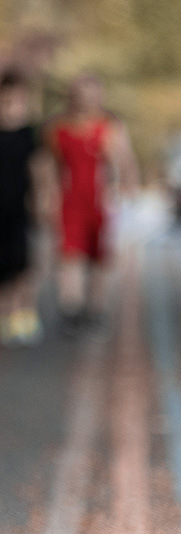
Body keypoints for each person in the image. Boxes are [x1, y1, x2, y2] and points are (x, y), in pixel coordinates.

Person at [46, 74, 139, 332]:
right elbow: (51, 166)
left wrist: (128, 190)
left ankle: (96, 307)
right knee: (69, 254)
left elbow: (124, 161)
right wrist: (46, 195)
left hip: (99, 200)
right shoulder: (59, 129)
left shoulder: (108, 127)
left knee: (99, 256)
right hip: (70, 198)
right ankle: (70, 306)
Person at [0, 70, 46, 345]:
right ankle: (6, 316)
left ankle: (24, 316)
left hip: (20, 205)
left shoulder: (30, 133)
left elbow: (39, 169)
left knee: (25, 263)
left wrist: (42, 199)